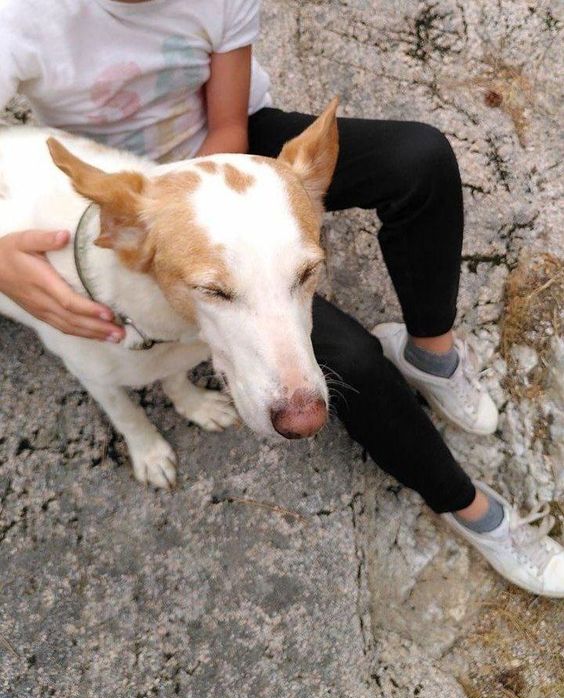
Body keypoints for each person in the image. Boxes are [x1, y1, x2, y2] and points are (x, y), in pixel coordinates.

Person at [0, 0, 562, 597]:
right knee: (354, 363)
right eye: (219, 291)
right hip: (136, 194)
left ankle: (432, 352)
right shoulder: (19, 20)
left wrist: (250, 211)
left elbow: (228, 126)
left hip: (229, 159)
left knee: (419, 157)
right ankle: (466, 505)